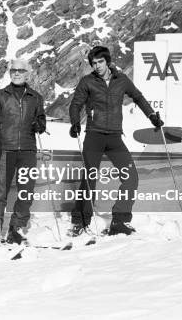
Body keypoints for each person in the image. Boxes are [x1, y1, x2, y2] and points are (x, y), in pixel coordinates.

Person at [69, 46, 164, 236]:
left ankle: (119, 221)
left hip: (114, 137)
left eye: (100, 62)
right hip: (94, 136)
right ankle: (80, 221)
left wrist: (151, 115)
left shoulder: (121, 80)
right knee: (90, 179)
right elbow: (75, 104)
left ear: (107, 61)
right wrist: (75, 123)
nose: (97, 66)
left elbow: (138, 97)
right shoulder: (87, 81)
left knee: (131, 177)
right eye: (93, 63)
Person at [0, 59, 47, 247]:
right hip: (5, 149)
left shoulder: (35, 97)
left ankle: (16, 229)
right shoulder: (0, 96)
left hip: (27, 149)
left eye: (20, 70)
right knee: (0, 190)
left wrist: (40, 124)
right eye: (13, 70)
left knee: (26, 191)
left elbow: (41, 120)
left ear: (28, 74)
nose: (16, 73)